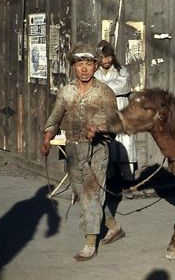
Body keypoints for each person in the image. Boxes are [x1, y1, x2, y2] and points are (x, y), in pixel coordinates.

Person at [40, 42, 125, 262]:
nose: (84, 68)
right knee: (83, 194)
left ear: (96, 66)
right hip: (73, 150)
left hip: (97, 150)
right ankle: (113, 228)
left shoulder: (104, 92)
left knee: (91, 194)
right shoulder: (67, 92)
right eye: (79, 64)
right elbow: (55, 117)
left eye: (88, 63)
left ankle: (89, 243)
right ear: (73, 67)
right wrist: (47, 136)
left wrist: (99, 129)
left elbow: (116, 124)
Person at [94, 40, 138, 180]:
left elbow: (124, 86)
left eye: (108, 56)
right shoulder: (95, 72)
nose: (106, 60)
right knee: (108, 144)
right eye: (102, 57)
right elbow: (94, 88)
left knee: (125, 143)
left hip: (121, 108)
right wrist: (108, 86)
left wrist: (103, 87)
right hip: (103, 111)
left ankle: (128, 180)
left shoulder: (121, 70)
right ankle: (109, 179)